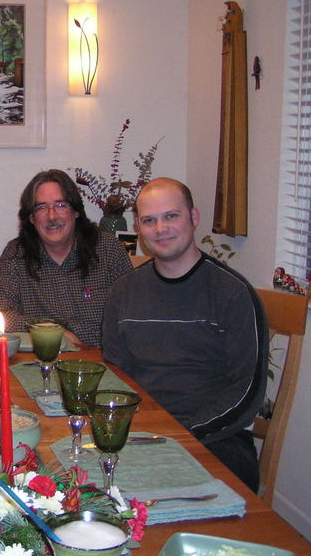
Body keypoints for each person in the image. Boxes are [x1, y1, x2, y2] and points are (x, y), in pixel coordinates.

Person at [102, 178, 268, 492]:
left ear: (193, 217)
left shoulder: (232, 293)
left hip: (215, 439)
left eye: (171, 216)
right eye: (149, 220)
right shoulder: (123, 291)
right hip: (141, 433)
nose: (160, 229)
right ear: (138, 227)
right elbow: (116, 375)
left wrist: (183, 433)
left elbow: (247, 391)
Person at [0, 169, 132, 345]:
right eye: (42, 207)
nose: (52, 216)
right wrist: (52, 331)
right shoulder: (16, 254)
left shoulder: (108, 250)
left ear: (76, 211)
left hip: (102, 357)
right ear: (31, 217)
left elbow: (135, 315)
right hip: (42, 358)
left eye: (60, 205)